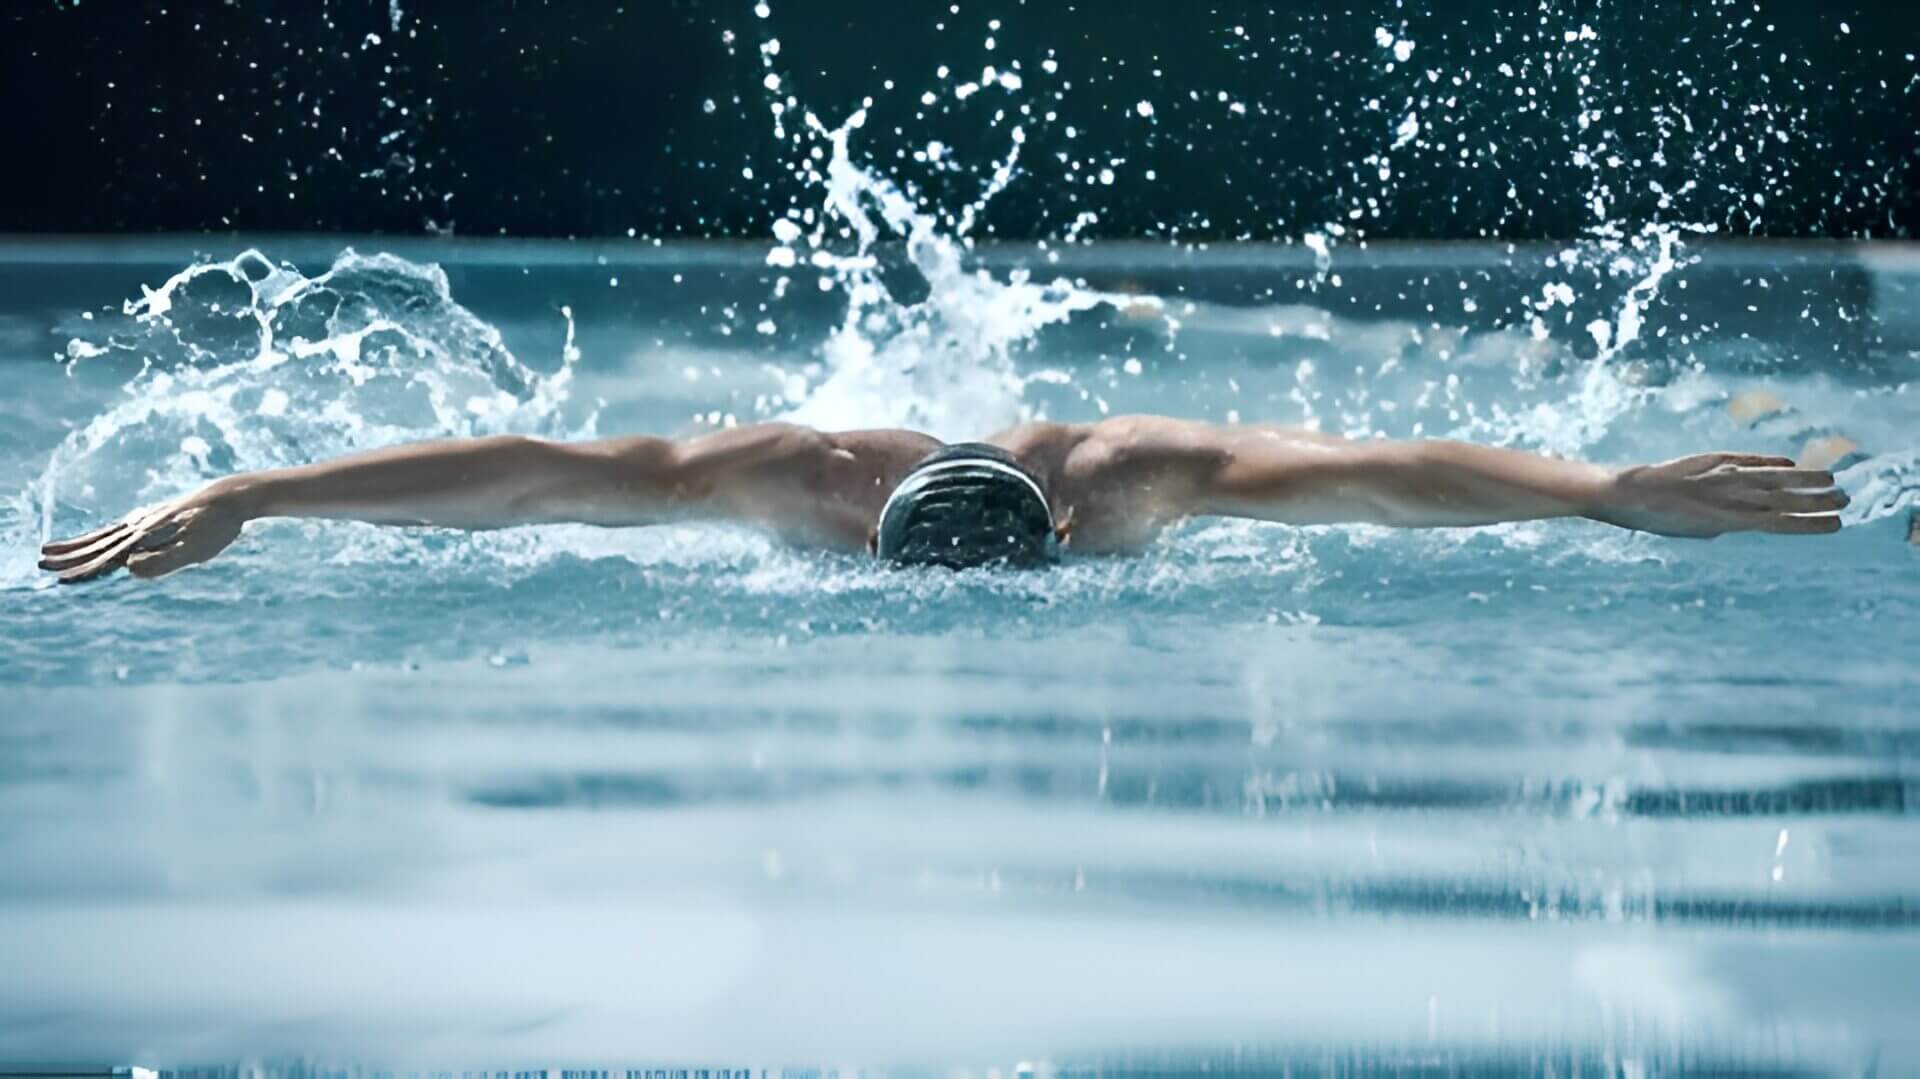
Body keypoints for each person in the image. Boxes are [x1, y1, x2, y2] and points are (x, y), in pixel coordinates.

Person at [37, 416, 1847, 583]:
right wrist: (257, 488)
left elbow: (1388, 474)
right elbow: (535, 481)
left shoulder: (1137, 481)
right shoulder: (792, 479)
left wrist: (1610, 490)